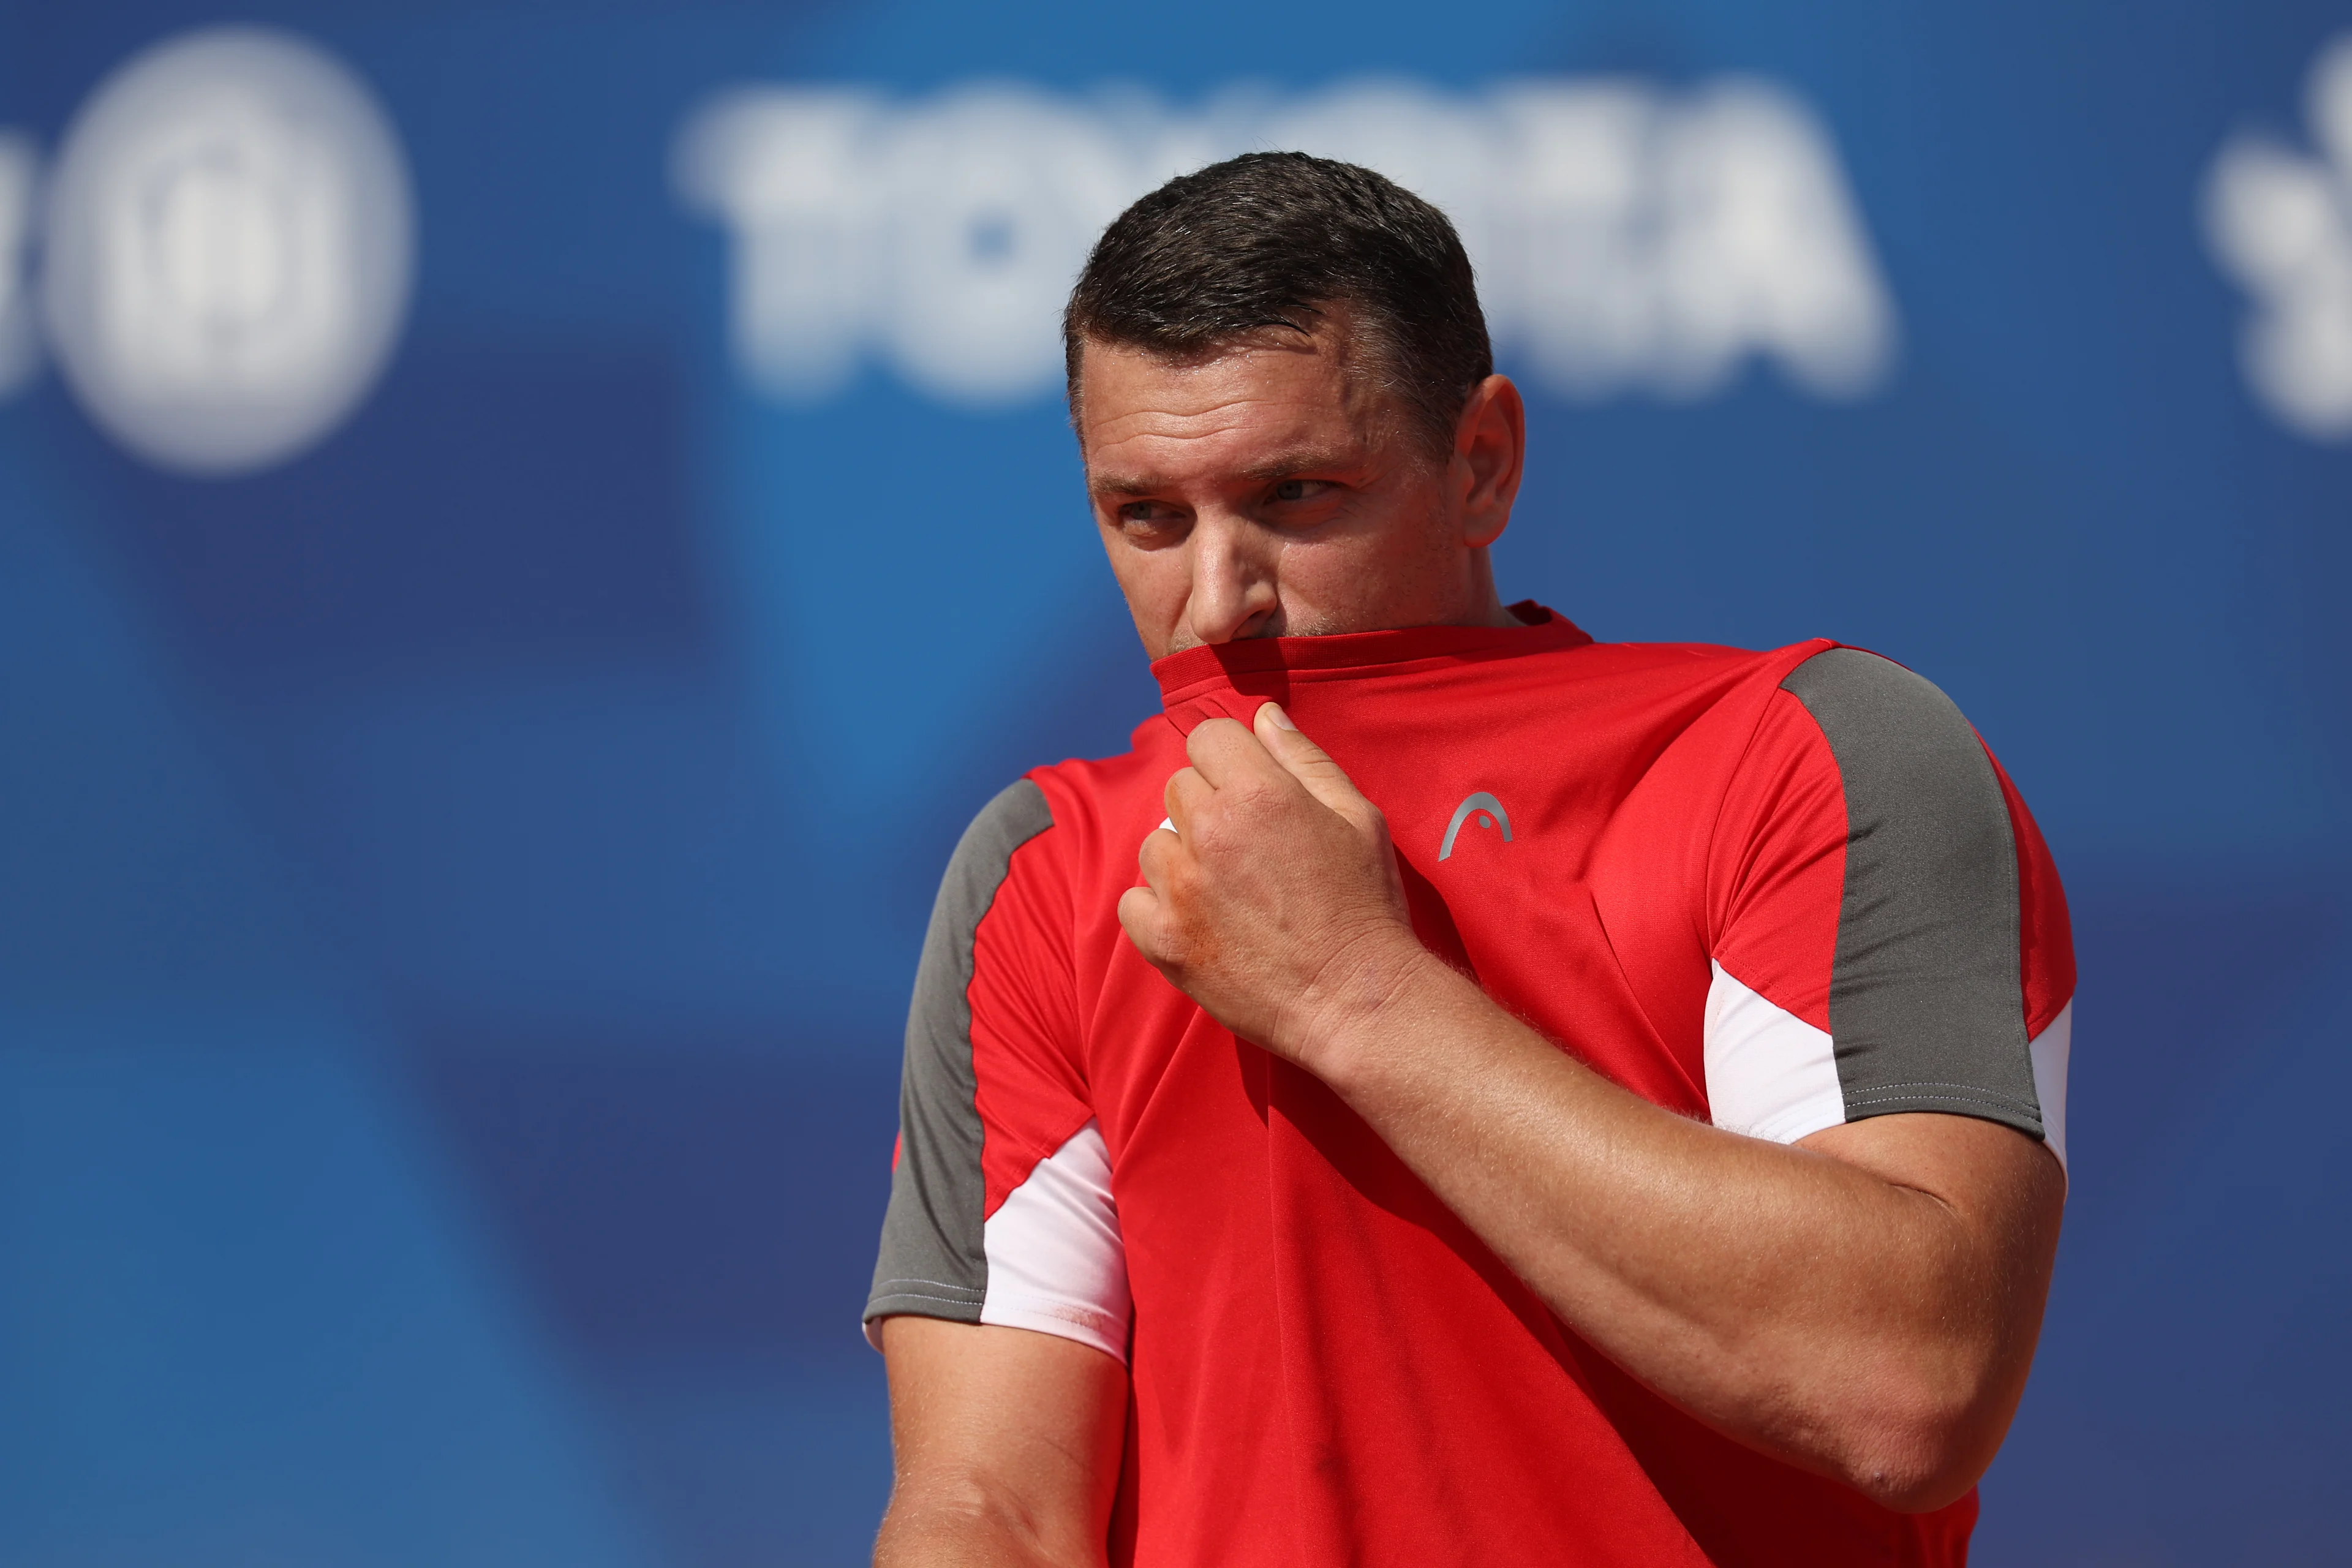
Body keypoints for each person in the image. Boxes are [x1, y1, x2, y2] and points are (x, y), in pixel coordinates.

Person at [862, 153, 2073, 1567]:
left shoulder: (1806, 750)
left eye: (1297, 494)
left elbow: (1908, 1384)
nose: (1216, 598)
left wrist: (1359, 993)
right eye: (1148, 516)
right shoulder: (1049, 865)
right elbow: (988, 1509)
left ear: (1483, 460)